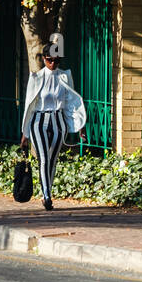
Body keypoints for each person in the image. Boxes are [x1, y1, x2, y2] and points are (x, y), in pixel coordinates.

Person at [20, 45, 87, 211]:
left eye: (56, 61)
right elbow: (29, 104)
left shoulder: (65, 76)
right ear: (44, 59)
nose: (53, 64)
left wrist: (80, 126)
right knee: (43, 158)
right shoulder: (36, 77)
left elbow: (72, 102)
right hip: (38, 120)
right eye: (50, 60)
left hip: (58, 121)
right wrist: (25, 133)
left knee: (52, 159)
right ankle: (47, 196)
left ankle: (45, 194)